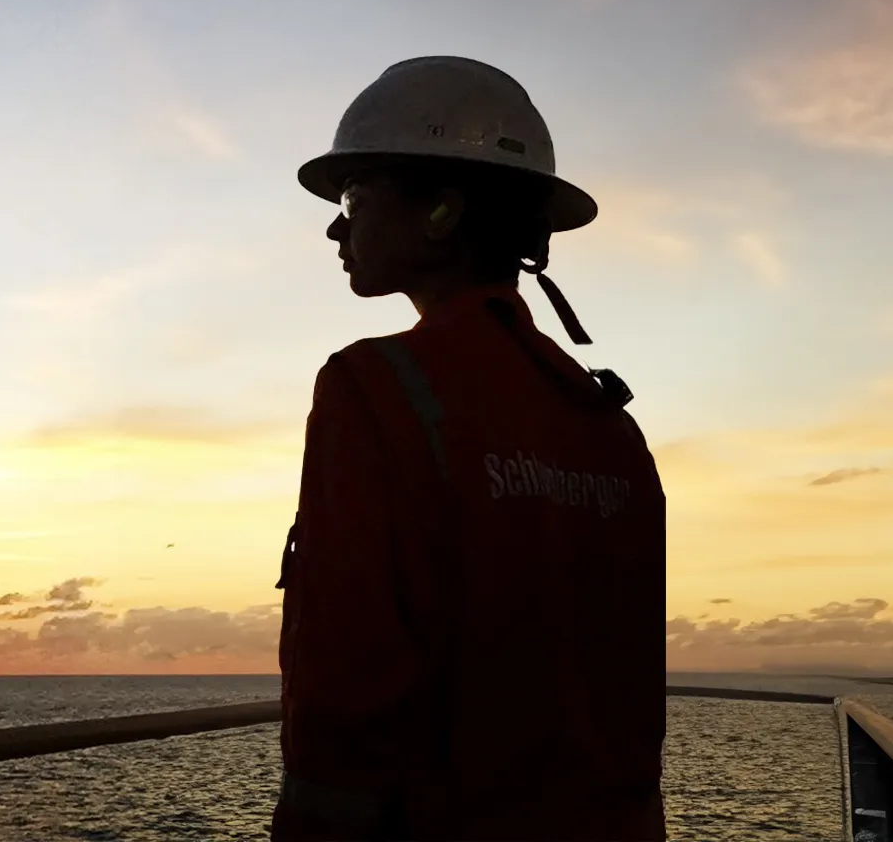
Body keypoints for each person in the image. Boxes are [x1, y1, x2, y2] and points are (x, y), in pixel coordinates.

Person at [271, 57, 667, 841]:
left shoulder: (370, 391)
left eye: (355, 196)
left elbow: (345, 696)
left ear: (441, 212)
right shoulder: (610, 428)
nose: (335, 225)